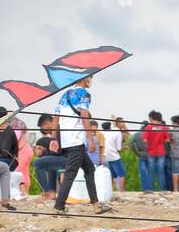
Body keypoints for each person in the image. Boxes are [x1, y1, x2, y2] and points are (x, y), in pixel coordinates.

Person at [53, 75, 111, 214]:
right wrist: (91, 139)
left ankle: (96, 205)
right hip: (76, 141)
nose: (91, 80)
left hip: (67, 141)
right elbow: (84, 115)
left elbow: (56, 117)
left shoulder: (65, 94)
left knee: (89, 168)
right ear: (85, 79)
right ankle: (58, 207)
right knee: (70, 174)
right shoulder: (85, 93)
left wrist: (54, 139)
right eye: (90, 77)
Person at [31, 113, 66, 195]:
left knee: (38, 163)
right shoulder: (58, 129)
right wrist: (44, 151)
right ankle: (52, 192)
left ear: (46, 124)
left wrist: (43, 153)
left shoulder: (58, 130)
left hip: (68, 157)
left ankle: (46, 192)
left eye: (43, 127)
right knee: (48, 162)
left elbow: (58, 152)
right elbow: (56, 151)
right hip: (66, 156)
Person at [143, 111, 168, 191]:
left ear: (151, 117)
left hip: (151, 151)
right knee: (161, 171)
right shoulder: (164, 127)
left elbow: (145, 140)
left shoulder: (148, 128)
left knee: (151, 171)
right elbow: (167, 140)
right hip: (161, 151)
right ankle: (162, 190)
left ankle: (151, 189)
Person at [101, 121, 125, 191]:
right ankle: (121, 190)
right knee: (121, 174)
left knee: (112, 175)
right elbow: (118, 148)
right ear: (110, 127)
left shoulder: (102, 134)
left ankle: (114, 190)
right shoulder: (115, 133)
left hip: (105, 157)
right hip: (114, 156)